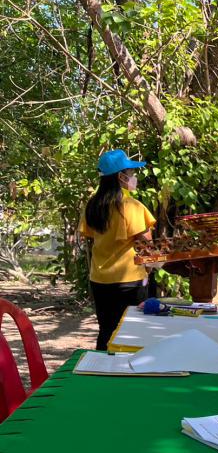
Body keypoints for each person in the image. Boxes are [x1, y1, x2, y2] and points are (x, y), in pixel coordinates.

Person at [80, 149, 155, 351]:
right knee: (132, 332)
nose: (133, 178)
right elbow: (147, 243)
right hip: (129, 280)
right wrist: (151, 267)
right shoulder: (132, 206)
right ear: (121, 177)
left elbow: (89, 236)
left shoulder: (92, 206)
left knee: (106, 329)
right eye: (131, 174)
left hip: (99, 279)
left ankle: (101, 370)